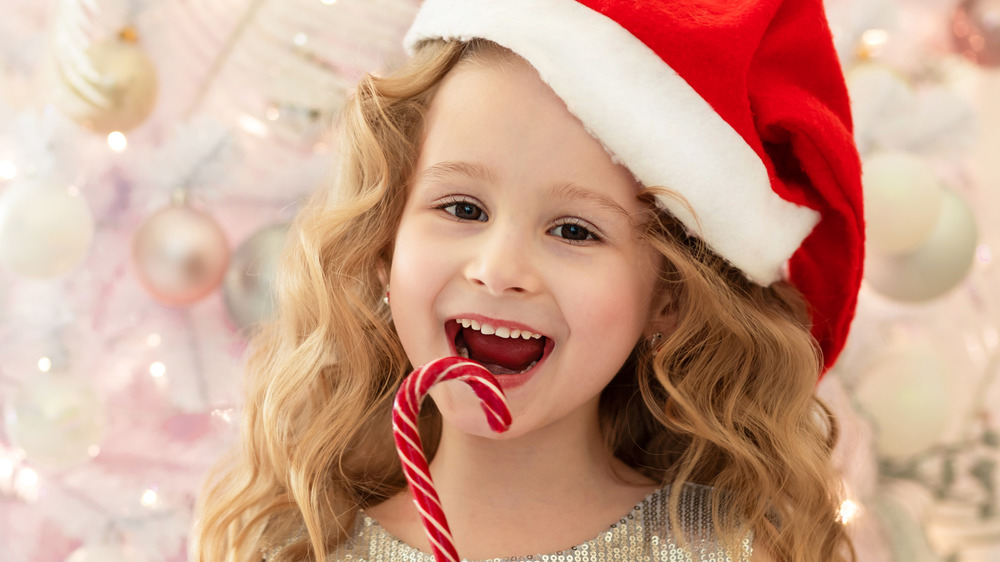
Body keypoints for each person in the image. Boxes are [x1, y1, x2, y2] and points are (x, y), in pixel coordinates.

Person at [193, 1, 864, 560]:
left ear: (669, 297)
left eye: (574, 230)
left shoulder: (727, 550)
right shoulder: (302, 547)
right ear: (385, 241)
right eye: (462, 209)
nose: (498, 270)